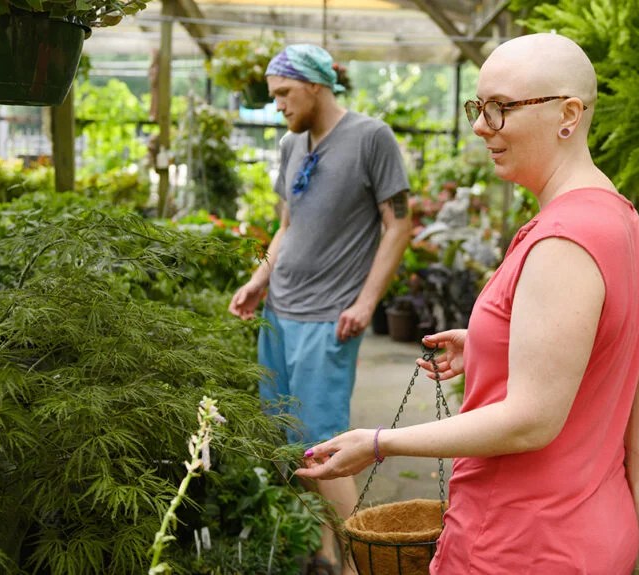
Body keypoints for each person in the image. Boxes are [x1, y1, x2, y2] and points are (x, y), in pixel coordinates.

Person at [296, 33, 639, 574]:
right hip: (573, 526)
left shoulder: (563, 239)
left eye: (501, 108)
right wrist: (489, 344)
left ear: (569, 114)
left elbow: (531, 421)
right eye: (478, 107)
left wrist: (379, 442)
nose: (482, 125)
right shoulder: (615, 215)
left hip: (524, 542)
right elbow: (597, 349)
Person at [227, 44, 412, 575]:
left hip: (329, 318)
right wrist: (258, 280)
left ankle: (363, 565)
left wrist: (366, 301)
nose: (278, 105)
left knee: (324, 448)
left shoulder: (370, 137)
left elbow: (398, 223)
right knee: (288, 441)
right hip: (280, 315)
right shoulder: (291, 145)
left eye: (283, 93)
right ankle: (325, 555)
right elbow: (286, 227)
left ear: (314, 84)